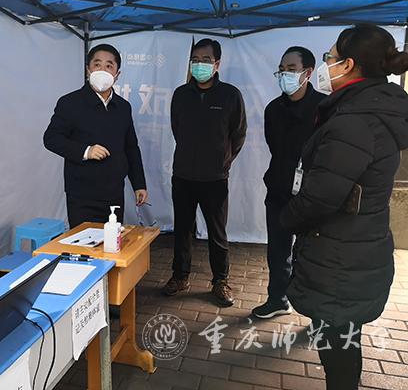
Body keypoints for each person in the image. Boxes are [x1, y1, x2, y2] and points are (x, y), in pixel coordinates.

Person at [280, 24, 408, 390]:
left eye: (330, 57)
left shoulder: (355, 120)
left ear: (348, 64)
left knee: (338, 350)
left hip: (340, 256)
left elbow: (321, 197)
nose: (327, 64)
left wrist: (286, 219)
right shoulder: (372, 107)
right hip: (355, 248)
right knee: (342, 343)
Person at [162, 38, 247, 307]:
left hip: (215, 178)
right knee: (182, 230)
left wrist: (223, 161)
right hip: (183, 175)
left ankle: (220, 280)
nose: (199, 65)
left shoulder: (230, 95)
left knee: (217, 232)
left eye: (206, 60)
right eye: (195, 60)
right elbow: (177, 129)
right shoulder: (181, 94)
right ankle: (180, 276)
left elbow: (238, 133)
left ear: (217, 64)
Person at [252, 47, 326, 319]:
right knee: (278, 249)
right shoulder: (273, 109)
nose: (285, 74)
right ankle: (277, 299)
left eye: (291, 69)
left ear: (308, 72)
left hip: (311, 194)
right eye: (282, 69)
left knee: (310, 253)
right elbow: (275, 146)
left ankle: (315, 308)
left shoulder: (324, 108)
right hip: (279, 188)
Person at [43, 43, 147, 227]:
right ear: (88, 70)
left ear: (117, 74)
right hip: (82, 194)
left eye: (109, 66)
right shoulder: (70, 103)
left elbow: (131, 147)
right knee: (85, 242)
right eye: (97, 64)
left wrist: (139, 184)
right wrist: (86, 151)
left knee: (111, 242)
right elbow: (51, 138)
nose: (102, 70)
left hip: (114, 192)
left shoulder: (123, 107)